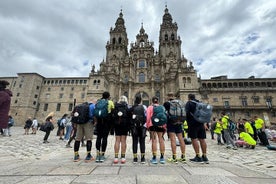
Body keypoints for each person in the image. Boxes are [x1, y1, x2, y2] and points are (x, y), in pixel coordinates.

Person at [185, 94, 209, 163]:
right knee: (202, 140)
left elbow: (186, 113)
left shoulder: (189, 103)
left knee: (194, 139)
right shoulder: (200, 103)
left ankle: (198, 156)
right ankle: (204, 156)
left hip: (193, 124)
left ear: (189, 98)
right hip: (201, 123)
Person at [163, 93, 186, 163]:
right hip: (179, 122)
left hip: (171, 123)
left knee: (173, 140)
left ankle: (174, 157)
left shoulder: (167, 104)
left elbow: (164, 113)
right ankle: (183, 156)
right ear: (174, 97)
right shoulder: (180, 103)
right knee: (181, 139)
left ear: (168, 97)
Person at [95, 91, 115, 162]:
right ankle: (102, 155)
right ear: (108, 96)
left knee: (98, 138)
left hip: (99, 122)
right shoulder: (110, 102)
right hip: (106, 122)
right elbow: (113, 112)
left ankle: (97, 155)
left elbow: (95, 112)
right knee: (104, 138)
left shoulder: (98, 102)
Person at [146, 96, 166, 164]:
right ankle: (162, 158)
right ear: (158, 101)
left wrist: (148, 126)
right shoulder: (162, 107)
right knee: (161, 140)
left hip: (153, 126)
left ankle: (154, 158)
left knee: (154, 141)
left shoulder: (150, 107)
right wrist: (164, 126)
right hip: (161, 125)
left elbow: (148, 117)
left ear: (152, 101)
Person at [113, 96, 131, 164]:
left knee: (117, 140)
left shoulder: (116, 106)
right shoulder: (127, 107)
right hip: (124, 125)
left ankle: (116, 158)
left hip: (117, 125)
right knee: (123, 141)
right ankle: (123, 157)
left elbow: (113, 116)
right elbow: (129, 117)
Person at [129, 96, 147, 164]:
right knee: (142, 142)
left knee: (135, 142)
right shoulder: (144, 107)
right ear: (141, 101)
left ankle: (135, 158)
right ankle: (142, 158)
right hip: (142, 127)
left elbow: (129, 115)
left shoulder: (132, 108)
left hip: (134, 127)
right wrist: (145, 126)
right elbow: (146, 117)